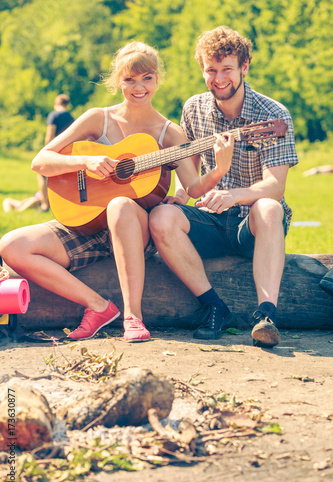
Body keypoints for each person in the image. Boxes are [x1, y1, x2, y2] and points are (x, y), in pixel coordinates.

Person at [0, 41, 233, 342]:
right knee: (11, 246)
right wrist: (86, 160)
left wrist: (219, 170)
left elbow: (193, 187)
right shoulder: (99, 119)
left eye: (147, 78)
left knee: (121, 205)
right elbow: (41, 161)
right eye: (129, 79)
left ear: (158, 79)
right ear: (117, 81)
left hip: (136, 231)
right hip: (89, 224)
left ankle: (132, 315)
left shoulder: (169, 133)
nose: (139, 87)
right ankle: (98, 306)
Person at [149, 26, 299, 348]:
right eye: (211, 70)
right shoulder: (193, 108)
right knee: (161, 217)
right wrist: (179, 195)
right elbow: (188, 177)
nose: (219, 79)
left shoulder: (272, 114)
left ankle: (265, 315)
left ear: (244, 67)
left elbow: (275, 187)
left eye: (227, 69)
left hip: (253, 223)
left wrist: (234, 196)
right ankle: (214, 307)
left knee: (269, 207)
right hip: (212, 219)